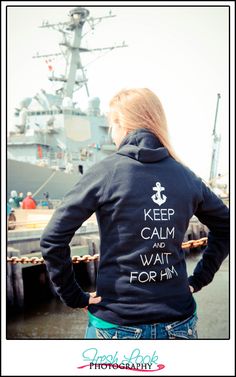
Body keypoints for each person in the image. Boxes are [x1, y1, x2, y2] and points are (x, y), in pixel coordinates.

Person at [40, 88, 229, 340]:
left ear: (122, 124)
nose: (111, 133)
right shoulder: (187, 178)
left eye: (111, 125)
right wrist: (199, 279)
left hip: (117, 323)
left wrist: (74, 296)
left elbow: (53, 238)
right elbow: (226, 225)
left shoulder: (105, 173)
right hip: (179, 323)